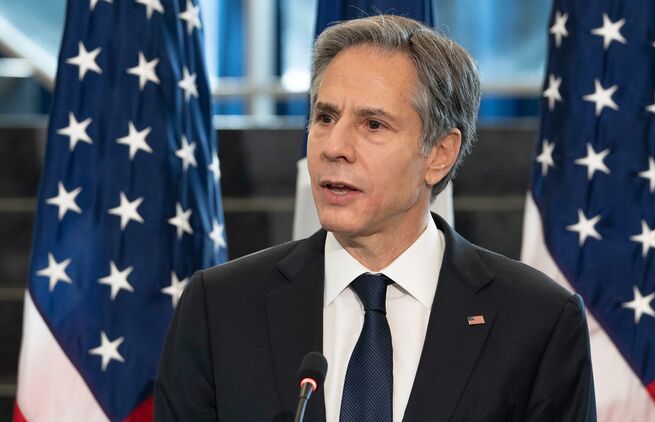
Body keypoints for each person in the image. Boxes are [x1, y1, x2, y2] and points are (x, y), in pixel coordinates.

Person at [155, 14, 596, 422]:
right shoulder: (220, 309)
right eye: (325, 117)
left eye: (373, 125)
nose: (334, 147)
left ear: (440, 154)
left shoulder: (537, 321)